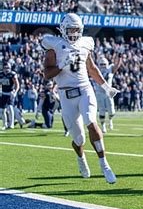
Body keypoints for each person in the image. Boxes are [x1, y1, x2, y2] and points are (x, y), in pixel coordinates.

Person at [42, 13, 119, 184]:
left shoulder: (85, 43)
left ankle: (104, 164)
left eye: (76, 30)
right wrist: (62, 65)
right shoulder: (53, 45)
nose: (73, 33)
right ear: (62, 29)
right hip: (65, 94)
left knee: (91, 122)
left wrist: (106, 87)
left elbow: (91, 69)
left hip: (85, 89)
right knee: (79, 140)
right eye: (70, 29)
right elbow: (47, 74)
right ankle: (81, 157)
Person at [95, 56, 122, 133]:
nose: (103, 66)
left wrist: (119, 56)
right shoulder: (96, 69)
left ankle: (110, 120)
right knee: (101, 110)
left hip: (108, 92)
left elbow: (117, 65)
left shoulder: (110, 68)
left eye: (104, 64)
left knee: (111, 110)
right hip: (99, 92)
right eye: (102, 64)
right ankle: (103, 126)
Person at [0, 62, 19, 130]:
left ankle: (11, 124)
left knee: (10, 108)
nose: (7, 69)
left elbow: (17, 84)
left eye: (8, 68)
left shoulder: (12, 74)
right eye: (5, 68)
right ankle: (4, 124)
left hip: (10, 93)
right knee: (2, 110)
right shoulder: (1, 74)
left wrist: (15, 92)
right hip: (3, 93)